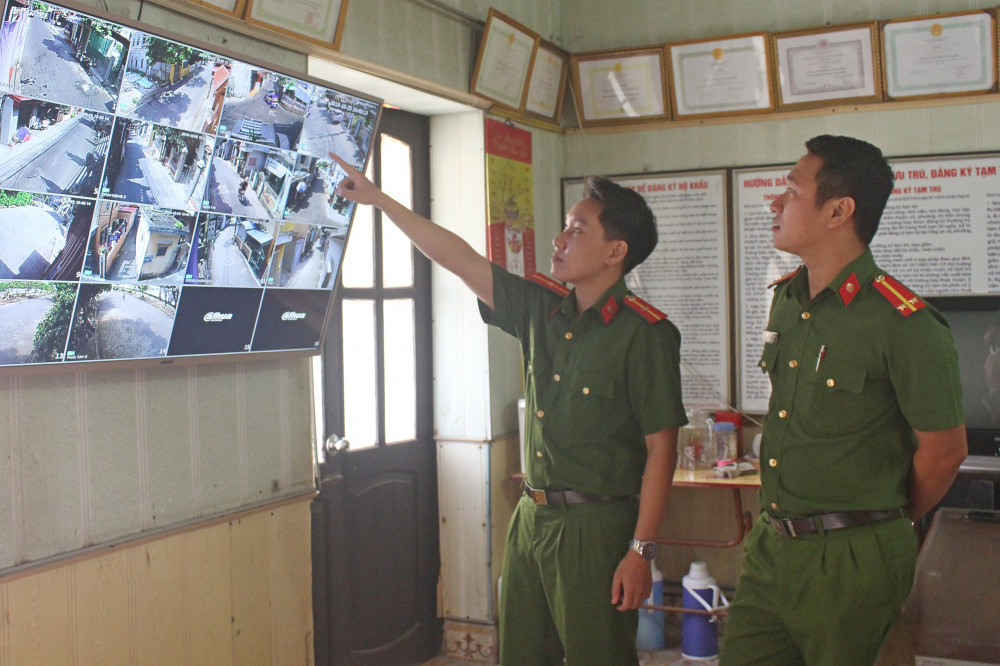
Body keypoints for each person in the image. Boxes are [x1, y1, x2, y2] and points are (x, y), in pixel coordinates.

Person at [329, 153, 686, 666]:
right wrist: (380, 200)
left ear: (616, 251)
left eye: (577, 230)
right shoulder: (543, 309)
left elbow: (661, 447)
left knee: (598, 655)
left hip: (595, 527)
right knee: (521, 653)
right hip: (530, 516)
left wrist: (641, 550)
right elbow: (460, 259)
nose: (559, 240)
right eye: (565, 227)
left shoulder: (644, 333)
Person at [720, 135, 968, 666]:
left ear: (838, 211)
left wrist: (881, 522)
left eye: (791, 190)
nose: (774, 202)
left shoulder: (903, 322)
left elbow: (945, 452)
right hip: (771, 546)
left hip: (852, 557)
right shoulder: (787, 301)